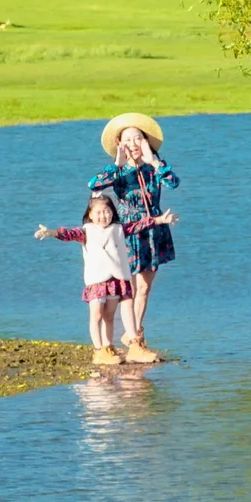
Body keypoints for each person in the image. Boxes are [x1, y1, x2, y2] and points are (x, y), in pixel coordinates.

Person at [35, 190, 164, 367]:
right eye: (99, 213)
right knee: (96, 315)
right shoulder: (86, 232)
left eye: (107, 211)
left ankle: (117, 346)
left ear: (113, 212)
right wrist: (50, 232)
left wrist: (159, 220)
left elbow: (138, 225)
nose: (104, 216)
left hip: (118, 278)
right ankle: (99, 350)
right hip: (97, 281)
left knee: (109, 316)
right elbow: (69, 233)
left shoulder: (118, 228)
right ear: (90, 215)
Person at [90, 111, 179, 365]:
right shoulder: (117, 171)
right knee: (125, 288)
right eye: (127, 140)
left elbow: (173, 183)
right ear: (120, 145)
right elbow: (94, 186)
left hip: (155, 229)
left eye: (137, 139)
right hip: (128, 231)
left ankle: (135, 337)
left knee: (144, 288)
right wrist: (117, 164)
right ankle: (111, 341)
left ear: (146, 142)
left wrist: (153, 162)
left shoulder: (155, 167)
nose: (133, 145)